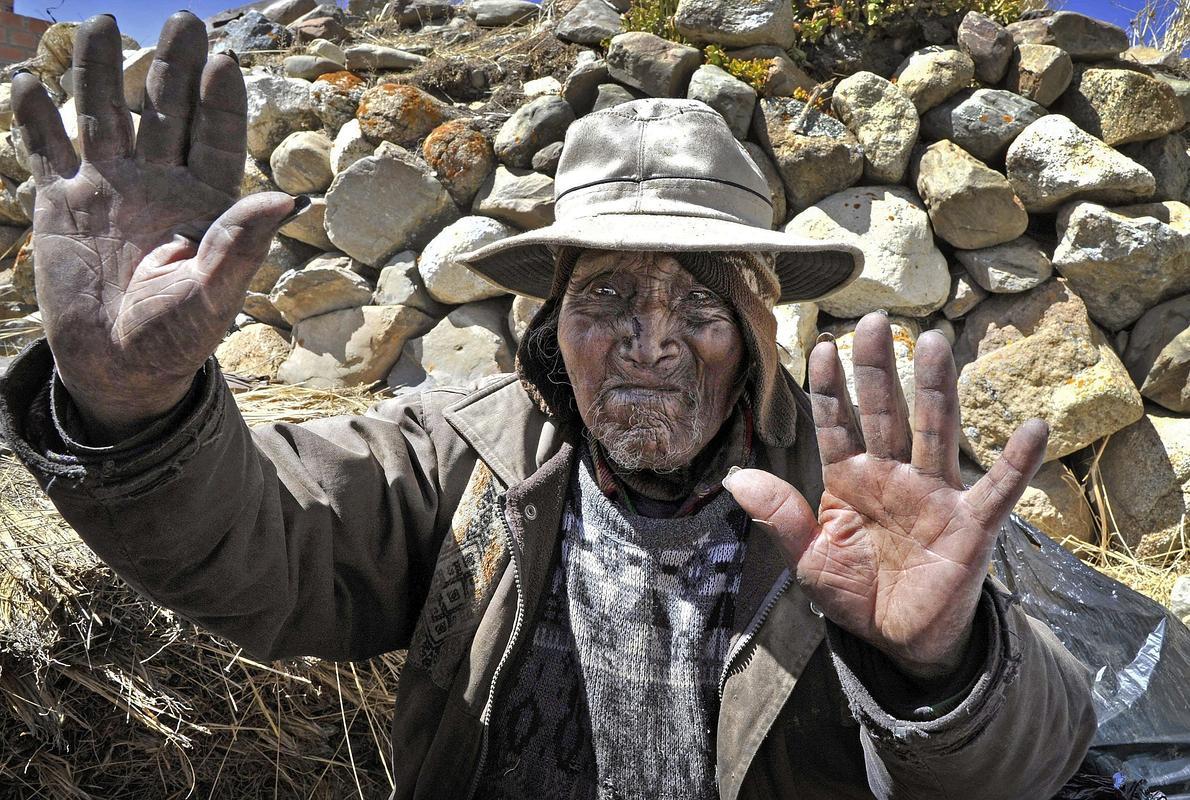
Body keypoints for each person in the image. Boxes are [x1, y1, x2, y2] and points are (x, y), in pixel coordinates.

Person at [0, 11, 1095, 800]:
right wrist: (135, 405)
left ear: (761, 321)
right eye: (607, 292)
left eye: (699, 300)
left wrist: (940, 667)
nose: (650, 341)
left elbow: (1033, 759)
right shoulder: (465, 453)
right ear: (549, 321)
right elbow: (265, 545)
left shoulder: (865, 502)